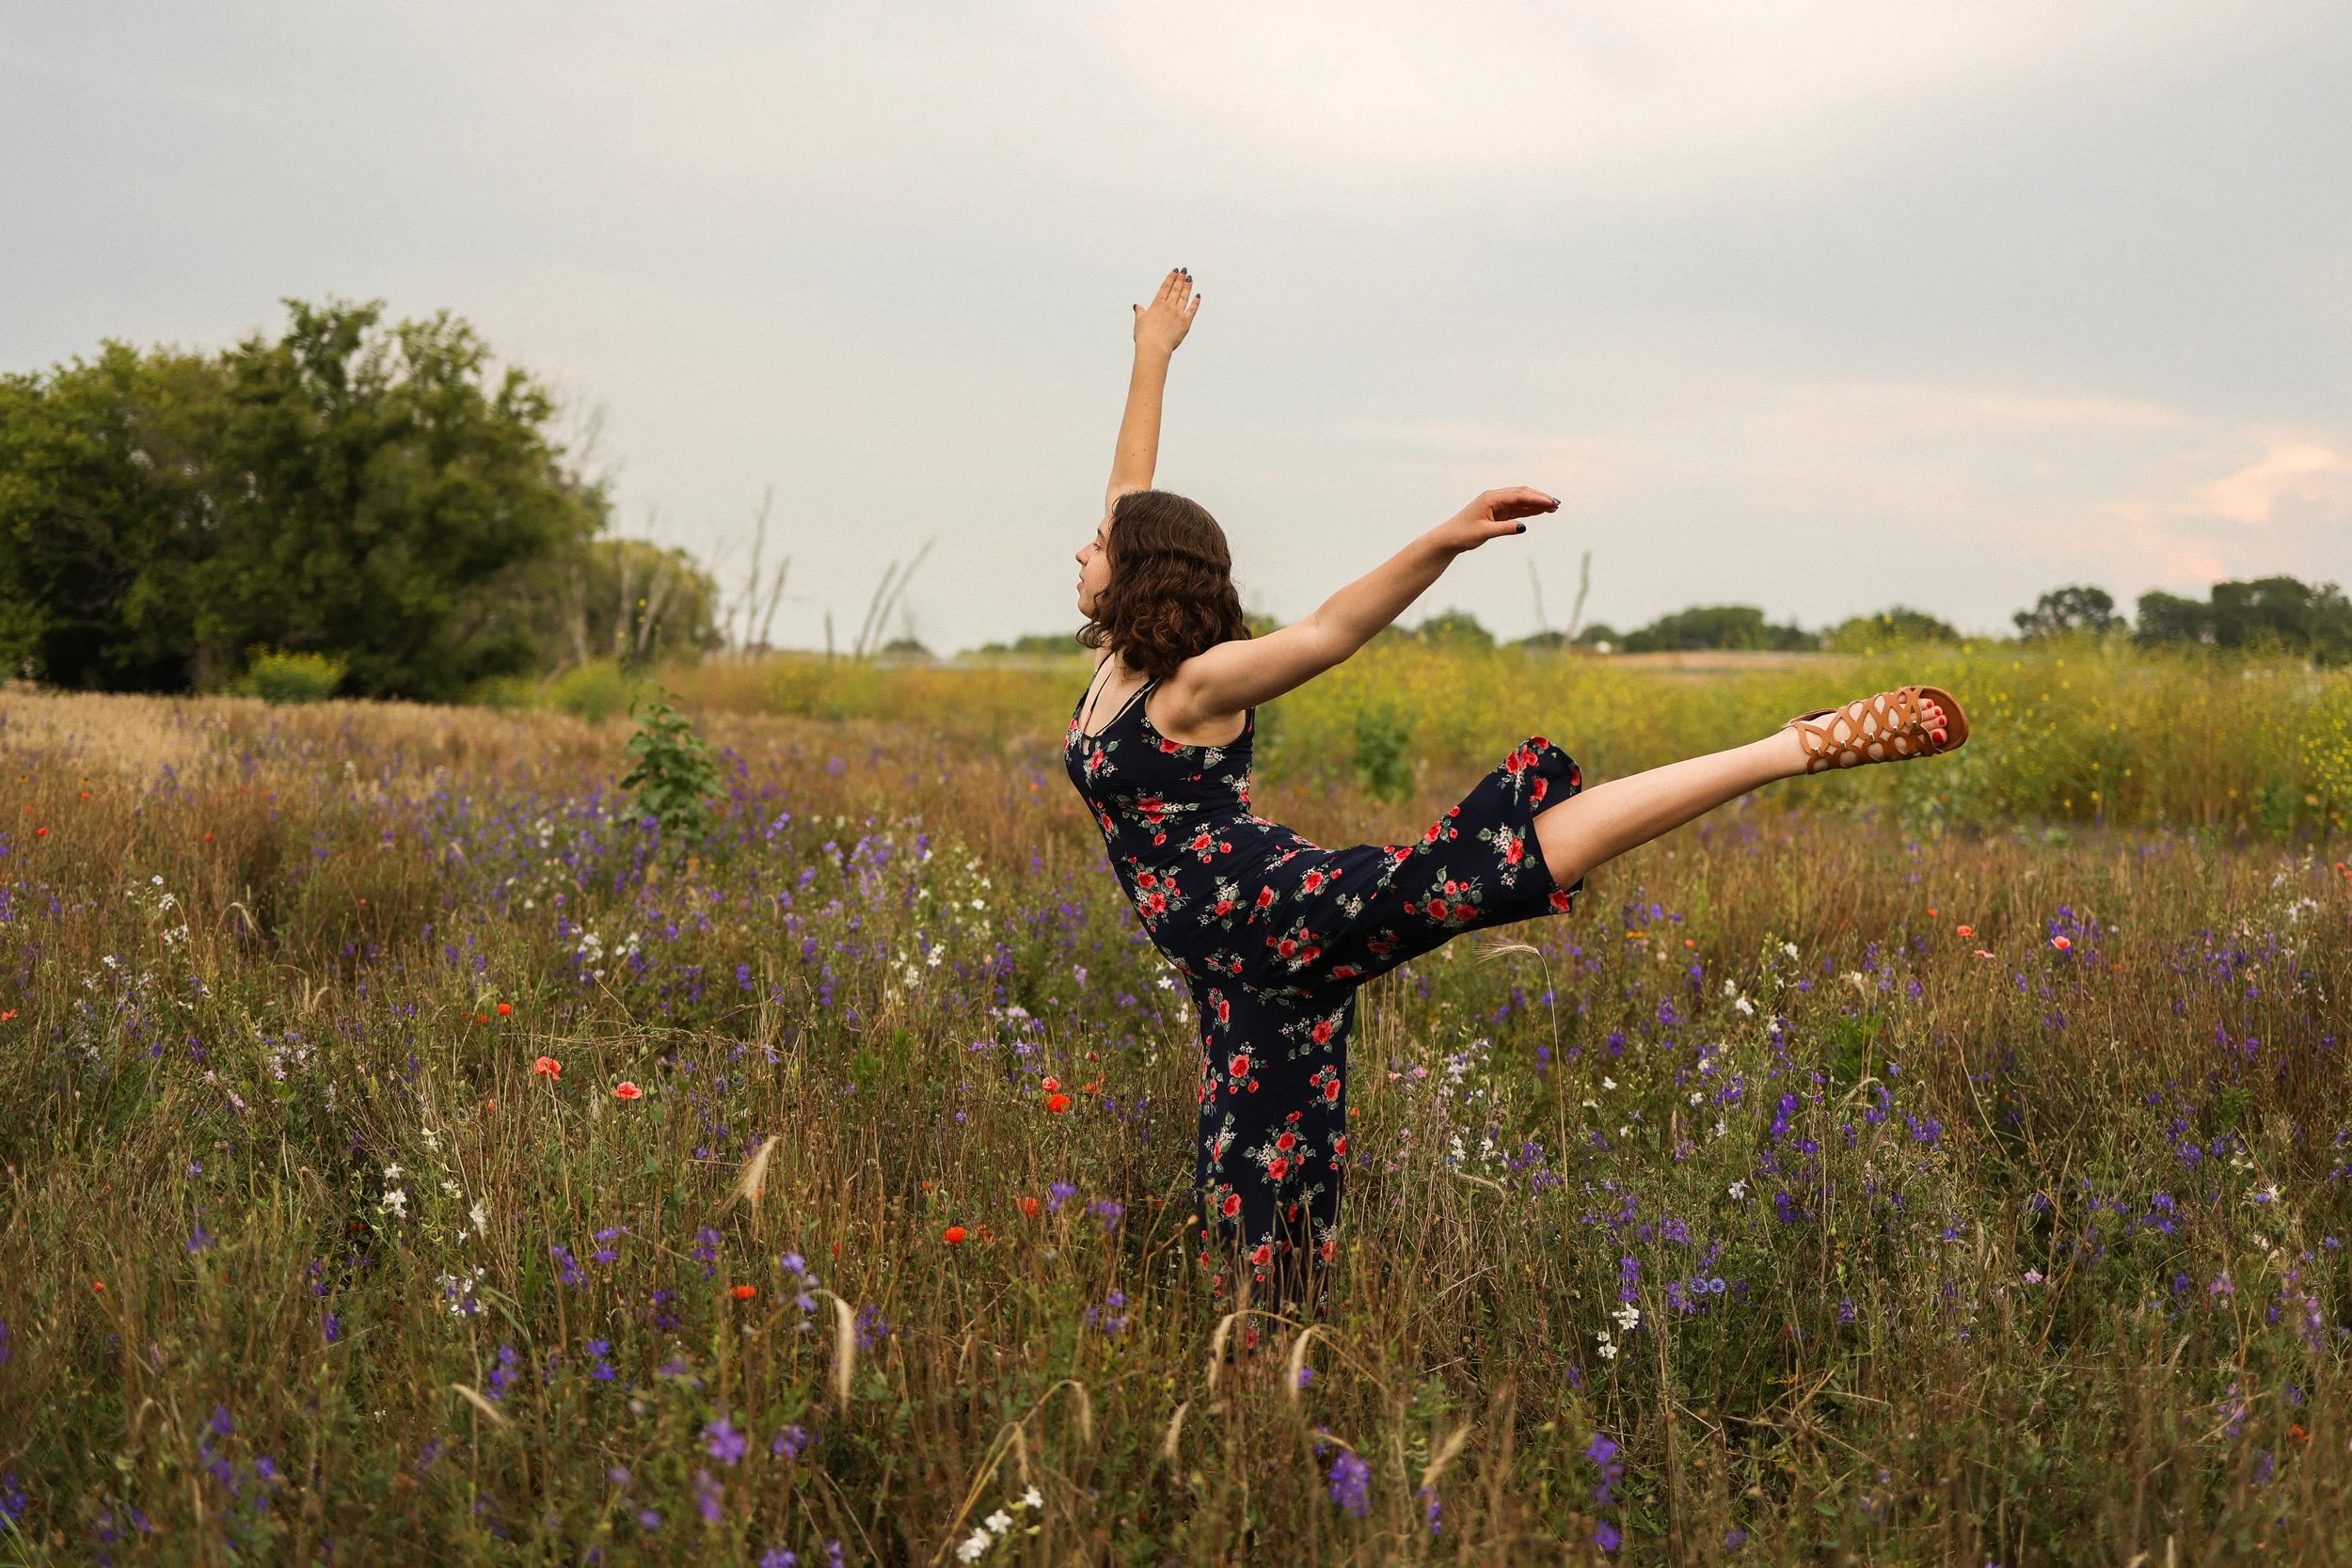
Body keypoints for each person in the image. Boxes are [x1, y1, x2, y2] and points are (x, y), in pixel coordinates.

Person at [1064, 269, 1967, 1313]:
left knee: (1518, 860)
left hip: (1280, 918)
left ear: (1138, 574)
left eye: (1097, 546)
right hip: (1232, 975)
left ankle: (1787, 746)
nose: (1082, 544)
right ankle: (1270, 1383)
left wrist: (1441, 541)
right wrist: (1152, 354)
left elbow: (1325, 630)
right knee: (1256, 1190)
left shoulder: (1194, 682)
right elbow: (1130, 493)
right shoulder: (1120, 661)